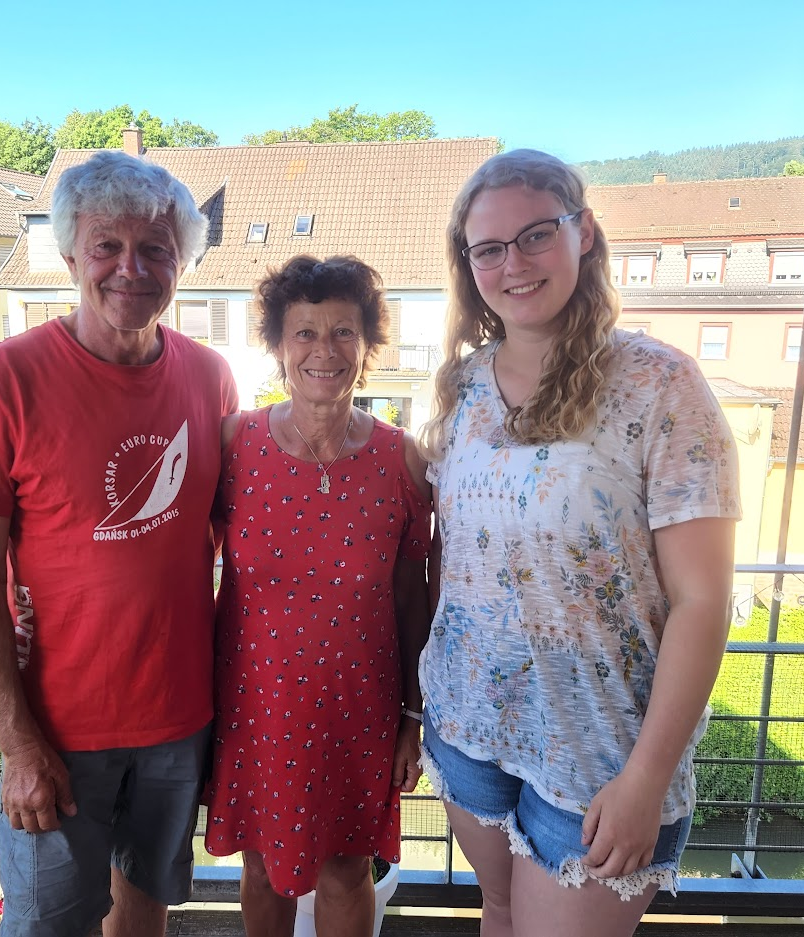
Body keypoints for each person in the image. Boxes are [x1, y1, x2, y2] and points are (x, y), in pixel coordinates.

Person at [0, 150, 239, 937]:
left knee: (145, 915)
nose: (131, 268)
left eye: (155, 248)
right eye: (106, 247)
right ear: (68, 257)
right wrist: (18, 743)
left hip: (178, 718)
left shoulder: (210, 378)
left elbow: (230, 540)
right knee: (49, 926)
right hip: (57, 733)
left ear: (181, 261)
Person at [417, 149, 740, 937]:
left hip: (599, 756)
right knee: (496, 912)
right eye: (487, 248)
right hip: (467, 726)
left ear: (583, 233)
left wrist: (646, 777)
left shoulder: (660, 384)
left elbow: (703, 601)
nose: (512, 263)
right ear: (468, 264)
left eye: (534, 236)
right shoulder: (460, 386)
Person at [203, 255, 432, 937]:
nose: (323, 351)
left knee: (345, 871)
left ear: (367, 346)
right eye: (303, 332)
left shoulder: (401, 459)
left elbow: (413, 597)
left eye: (342, 332)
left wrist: (411, 718)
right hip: (255, 702)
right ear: (276, 345)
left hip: (358, 706)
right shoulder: (233, 444)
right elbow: (176, 558)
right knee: (259, 868)